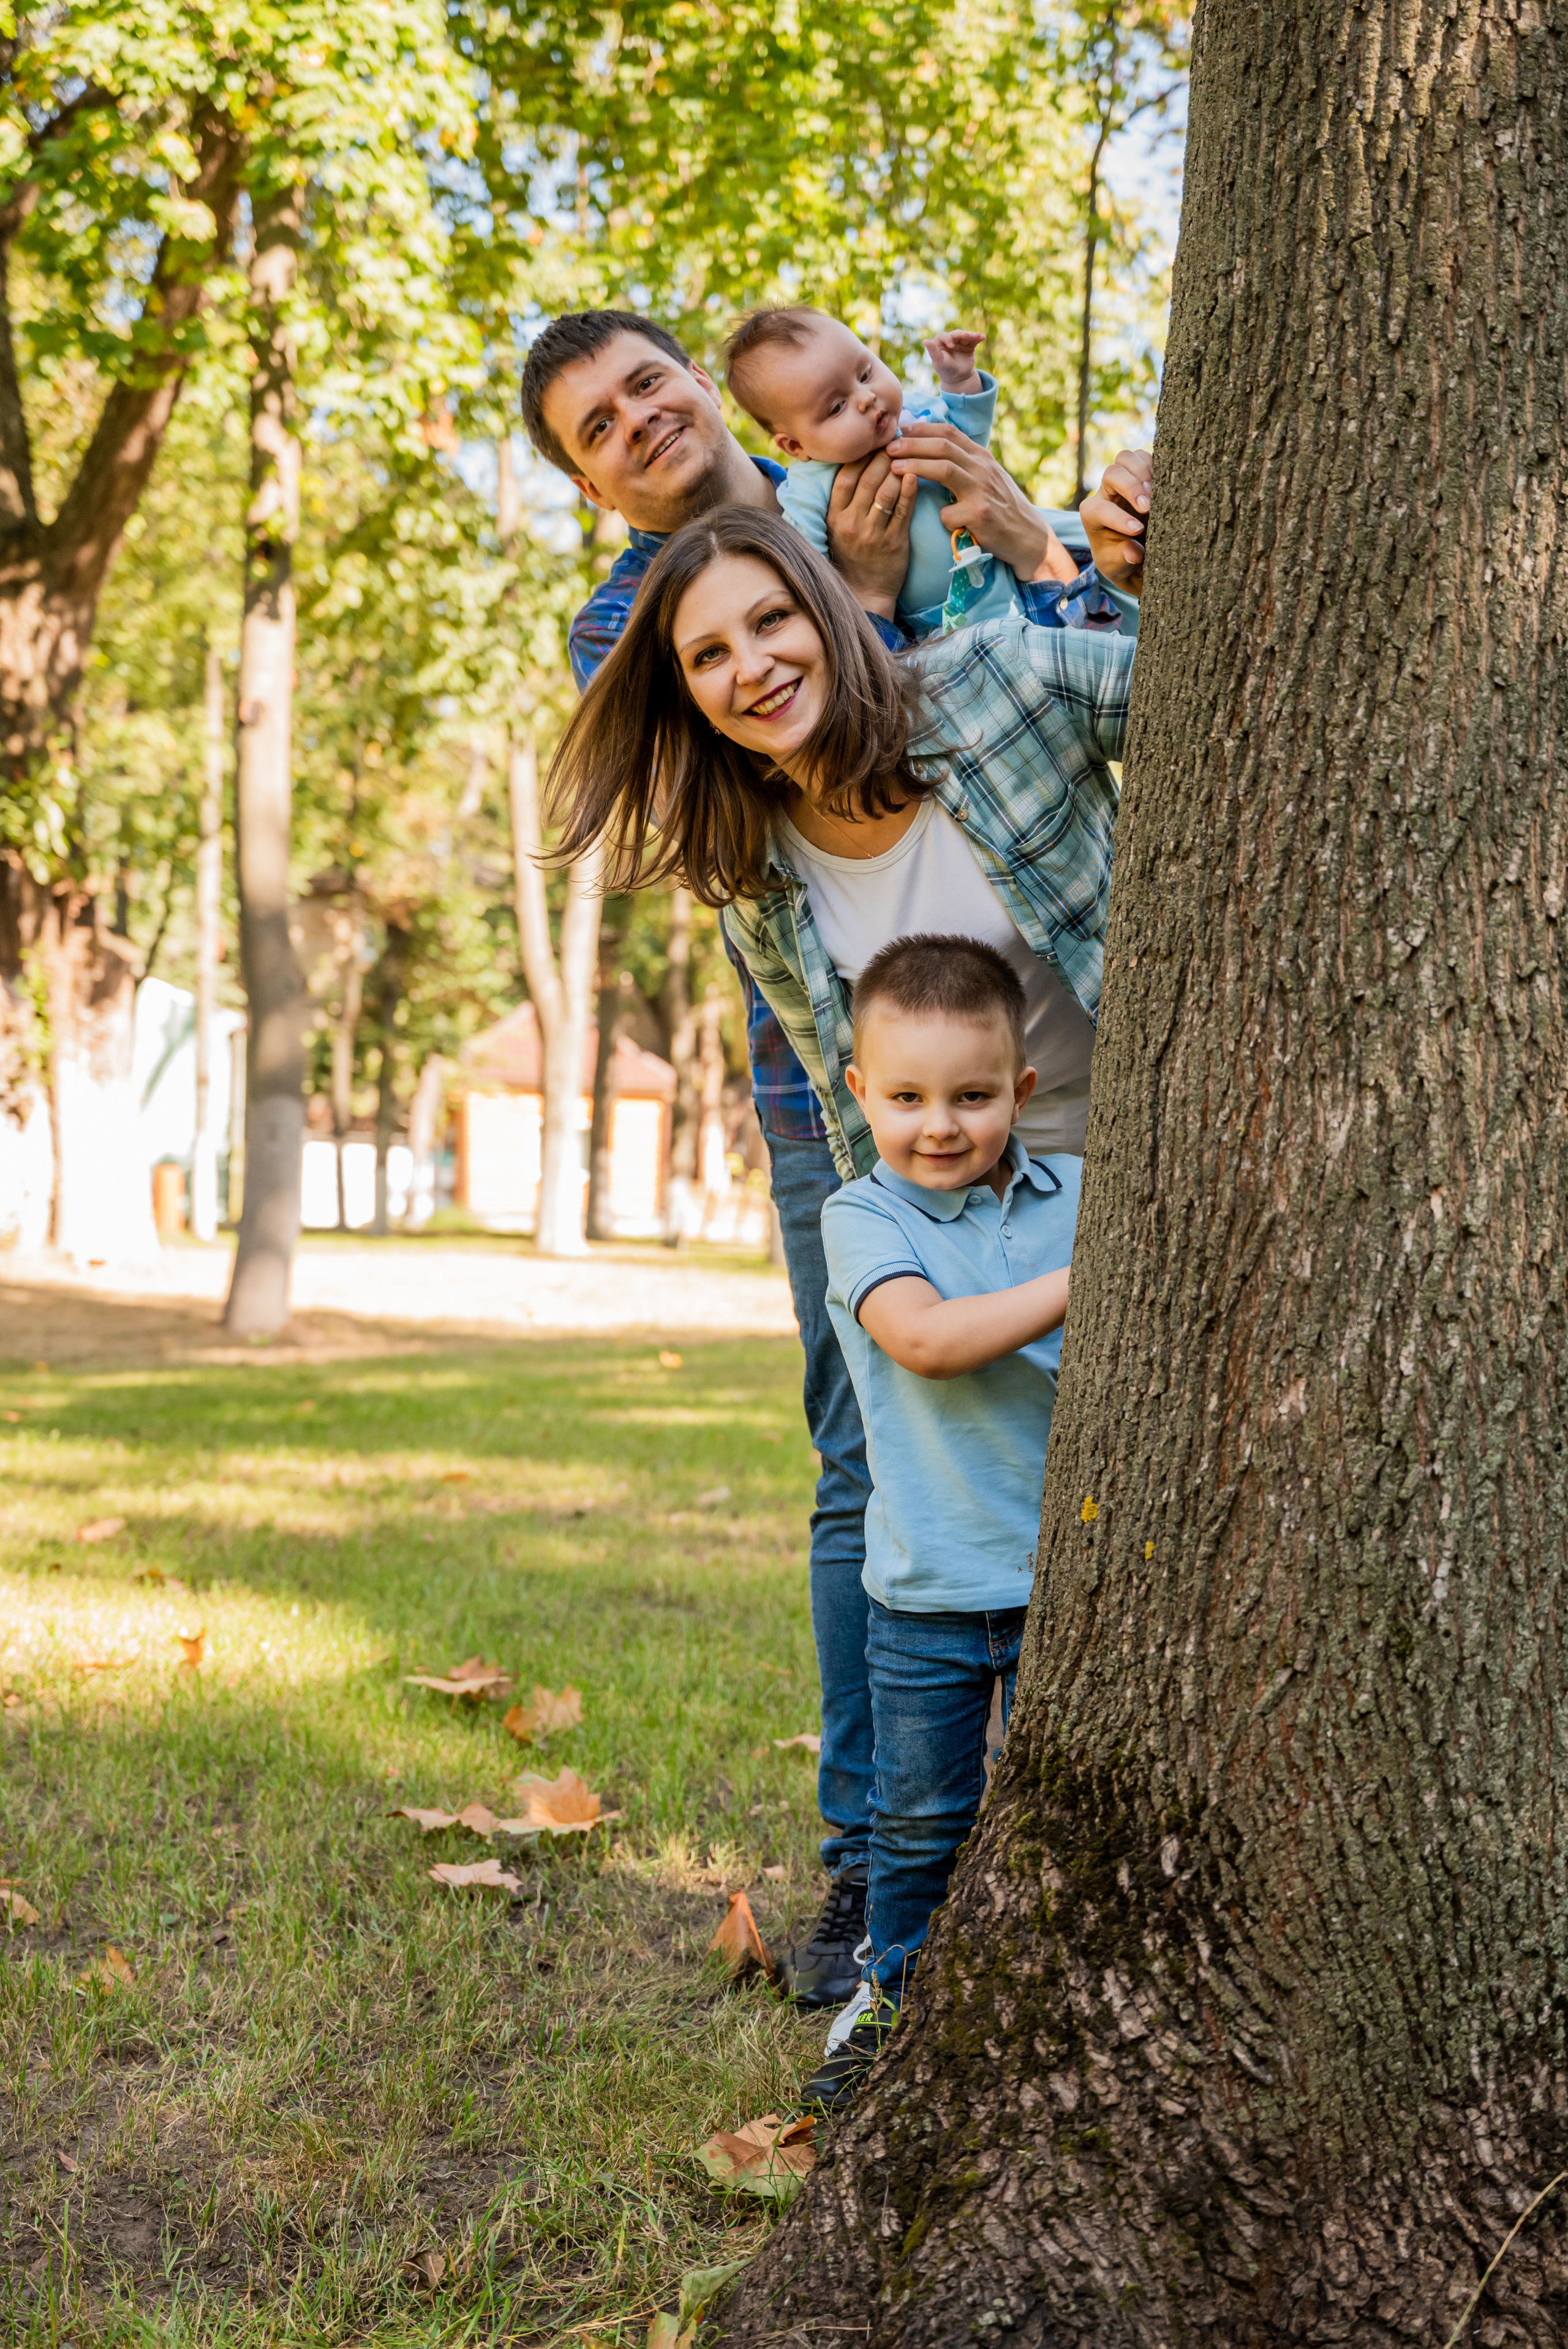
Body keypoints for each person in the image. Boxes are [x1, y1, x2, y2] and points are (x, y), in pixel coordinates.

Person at [521, 305, 1145, 2007]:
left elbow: (1053, 655)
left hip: (1081, 1061)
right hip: (849, 1102)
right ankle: (882, 1857)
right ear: (589, 486)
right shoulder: (643, 640)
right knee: (881, 1455)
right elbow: (761, 769)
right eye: (595, 428)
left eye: (647, 385)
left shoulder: (869, 504)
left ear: (700, 387)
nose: (637, 422)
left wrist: (1055, 542)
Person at [802, 934, 1078, 2107]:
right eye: (907, 1097)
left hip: (1072, 1581)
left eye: (972, 1095)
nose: (941, 1125)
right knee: (918, 1820)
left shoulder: (1080, 1197)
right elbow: (923, 1338)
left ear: (1021, 1089)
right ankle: (894, 1994)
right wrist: (1091, 1277)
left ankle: (1050, 1994)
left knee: (1063, 1808)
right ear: (859, 1090)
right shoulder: (862, 1215)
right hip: (928, 1591)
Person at [723, 307, 1083, 638]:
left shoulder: (915, 413)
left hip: (1008, 580)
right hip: (937, 629)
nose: (866, 397)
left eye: (865, 374)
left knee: (1061, 644)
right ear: (795, 446)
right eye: (836, 407)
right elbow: (806, 565)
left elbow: (969, 445)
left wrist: (961, 382)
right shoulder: (810, 485)